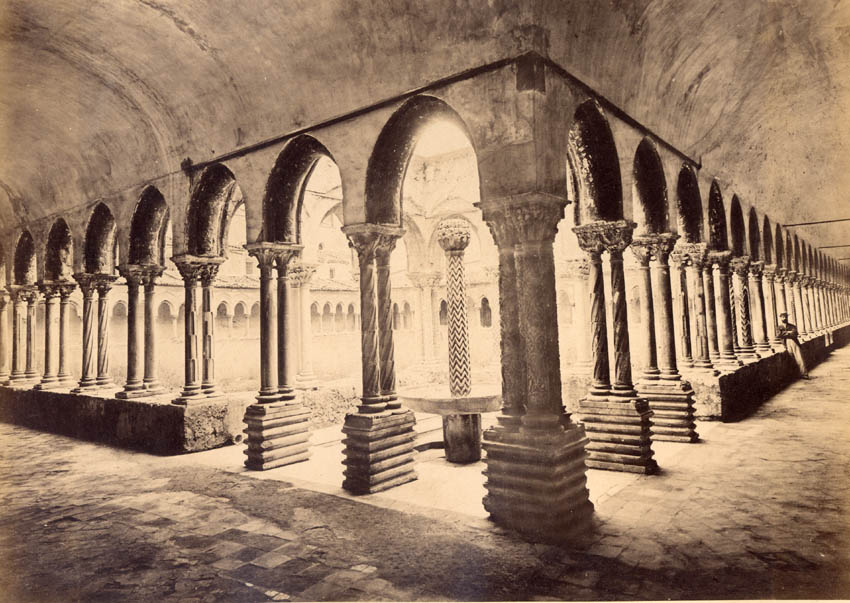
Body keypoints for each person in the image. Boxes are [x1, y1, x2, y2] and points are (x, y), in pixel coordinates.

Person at [777, 312, 809, 379]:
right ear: (780, 318)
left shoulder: (792, 326)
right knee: (791, 359)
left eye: (785, 317)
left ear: (787, 317)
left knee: (799, 358)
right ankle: (794, 375)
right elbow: (779, 335)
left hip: (794, 342)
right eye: (782, 317)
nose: (784, 318)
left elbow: (795, 334)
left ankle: (804, 374)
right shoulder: (779, 327)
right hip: (786, 343)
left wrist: (785, 333)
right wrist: (789, 333)